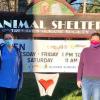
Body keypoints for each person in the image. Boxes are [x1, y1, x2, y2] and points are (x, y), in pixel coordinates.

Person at [0, 30, 23, 100]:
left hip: (13, 83)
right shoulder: (1, 50)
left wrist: (20, 82)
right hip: (1, 83)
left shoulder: (18, 51)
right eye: (6, 39)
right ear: (3, 40)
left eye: (10, 38)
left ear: (13, 38)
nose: (8, 40)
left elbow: (20, 67)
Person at [77, 33, 100, 100]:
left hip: (98, 81)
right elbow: (81, 65)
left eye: (97, 39)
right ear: (90, 40)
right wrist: (78, 79)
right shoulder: (85, 51)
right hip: (86, 81)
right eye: (93, 39)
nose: (95, 40)